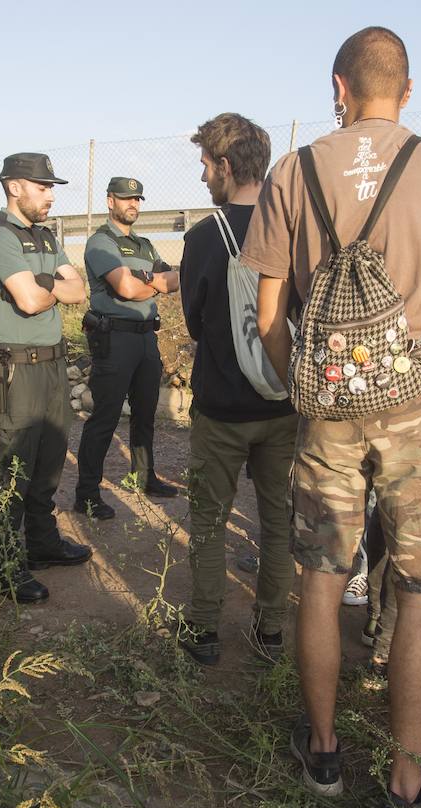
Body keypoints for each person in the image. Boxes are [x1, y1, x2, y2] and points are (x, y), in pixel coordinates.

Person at [241, 26, 421, 808]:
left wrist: (302, 385)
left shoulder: (292, 168)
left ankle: (323, 755)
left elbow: (270, 313)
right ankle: (408, 786)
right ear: (407, 92)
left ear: (337, 86)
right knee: (420, 593)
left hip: (327, 409)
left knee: (319, 575)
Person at [177, 113, 298, 665]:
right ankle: (269, 629)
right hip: (284, 404)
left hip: (222, 407)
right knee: (277, 519)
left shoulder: (205, 237)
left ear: (225, 166)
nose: (203, 176)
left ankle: (203, 629)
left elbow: (196, 324)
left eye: (206, 165)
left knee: (209, 518)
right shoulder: (296, 229)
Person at [0, 152, 92, 605]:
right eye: (43, 187)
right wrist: (48, 286)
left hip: (51, 366)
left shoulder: (45, 236)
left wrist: (44, 285)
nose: (50, 196)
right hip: (18, 369)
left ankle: (42, 544)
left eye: (51, 188)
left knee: (49, 460)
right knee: (12, 469)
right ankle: (5, 566)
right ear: (15, 187)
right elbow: (26, 301)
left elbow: (78, 290)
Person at [73, 177, 181, 520]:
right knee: (104, 418)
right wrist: (155, 283)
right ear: (110, 201)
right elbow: (126, 289)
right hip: (114, 339)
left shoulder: (146, 246)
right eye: (125, 198)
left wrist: (149, 282)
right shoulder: (101, 243)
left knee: (145, 414)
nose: (132, 204)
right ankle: (86, 494)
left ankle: (144, 477)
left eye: (137, 198)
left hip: (146, 338)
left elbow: (176, 280)